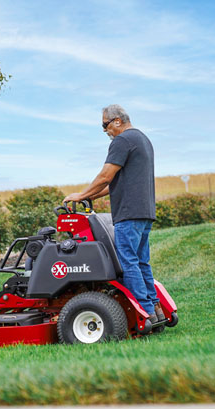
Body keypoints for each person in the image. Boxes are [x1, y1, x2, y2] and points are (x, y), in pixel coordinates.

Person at [63, 104, 164, 323]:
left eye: (105, 125)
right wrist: (91, 197)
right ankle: (156, 308)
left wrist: (80, 195)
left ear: (117, 121)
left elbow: (105, 177)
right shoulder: (143, 140)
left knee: (128, 263)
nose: (105, 131)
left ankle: (144, 313)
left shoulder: (122, 141)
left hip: (128, 213)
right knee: (141, 262)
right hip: (144, 212)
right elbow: (117, 184)